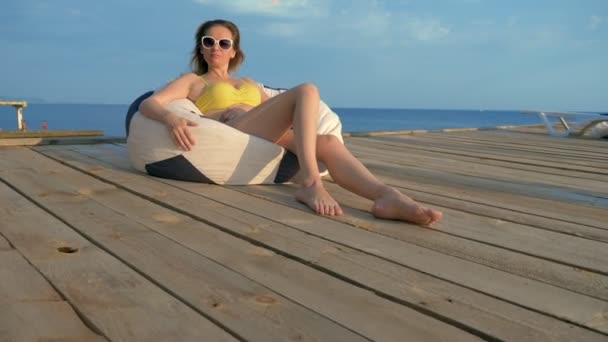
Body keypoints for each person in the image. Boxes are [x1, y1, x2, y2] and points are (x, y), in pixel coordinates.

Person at [139, 19, 442, 225]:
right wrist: (170, 118)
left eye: (224, 42)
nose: (216, 47)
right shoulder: (193, 81)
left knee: (328, 142)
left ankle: (387, 196)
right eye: (209, 41)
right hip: (231, 131)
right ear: (201, 48)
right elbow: (149, 103)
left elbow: (273, 113)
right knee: (307, 89)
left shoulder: (249, 82)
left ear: (234, 51)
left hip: (262, 134)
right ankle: (311, 182)